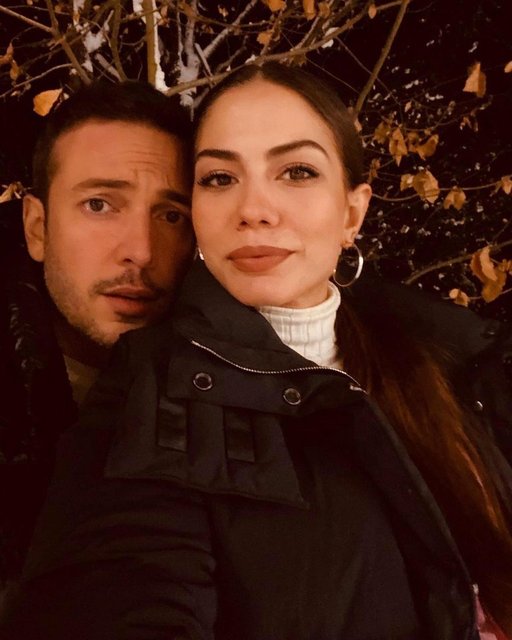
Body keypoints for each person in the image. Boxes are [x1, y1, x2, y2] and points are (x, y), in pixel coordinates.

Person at [2, 63, 512, 639]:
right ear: (35, 226)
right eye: (221, 177)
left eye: (297, 172)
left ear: (353, 212)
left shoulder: (450, 359)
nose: (141, 251)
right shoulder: (151, 394)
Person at [0, 80, 195, 587]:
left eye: (171, 215)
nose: (141, 251)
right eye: (100, 205)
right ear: (37, 228)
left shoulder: (230, 390)